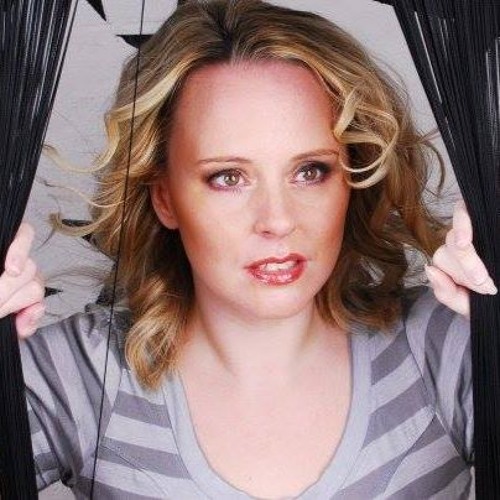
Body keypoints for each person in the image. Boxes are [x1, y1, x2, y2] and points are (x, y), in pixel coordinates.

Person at [1, 0, 497, 498]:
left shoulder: (445, 347)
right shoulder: (78, 373)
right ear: (164, 198)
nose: (277, 221)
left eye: (310, 171)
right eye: (228, 177)